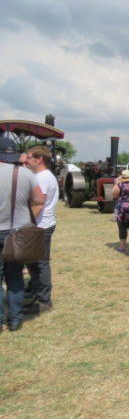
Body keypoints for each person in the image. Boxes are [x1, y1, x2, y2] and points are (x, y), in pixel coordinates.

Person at [0, 138, 45, 332]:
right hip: (18, 234)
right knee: (15, 277)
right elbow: (38, 200)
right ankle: (15, 320)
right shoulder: (26, 174)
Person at [24, 146, 59, 313]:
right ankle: (38, 295)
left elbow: (39, 203)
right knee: (36, 263)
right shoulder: (43, 176)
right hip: (42, 224)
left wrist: (26, 223)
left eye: (30, 157)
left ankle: (44, 301)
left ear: (39, 159)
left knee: (40, 264)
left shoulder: (42, 178)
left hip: (40, 225)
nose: (26, 160)